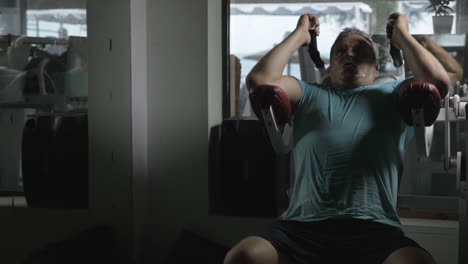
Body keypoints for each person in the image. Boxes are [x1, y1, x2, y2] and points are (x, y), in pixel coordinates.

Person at [224, 13, 450, 264]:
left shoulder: (394, 93)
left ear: (376, 67)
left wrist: (403, 37)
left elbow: (438, 81)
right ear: (330, 66)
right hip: (301, 227)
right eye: (340, 51)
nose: (349, 53)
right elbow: (260, 80)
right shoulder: (308, 93)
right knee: (243, 257)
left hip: (374, 229)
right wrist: (299, 36)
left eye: (360, 49)